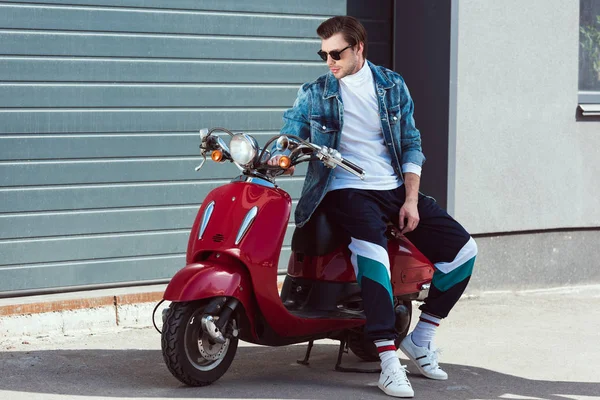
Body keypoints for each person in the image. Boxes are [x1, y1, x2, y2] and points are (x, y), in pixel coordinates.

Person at [277, 16, 478, 398]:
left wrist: (412, 199)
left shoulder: (390, 85)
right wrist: (275, 155)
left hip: (394, 188)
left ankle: (421, 337)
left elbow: (412, 144)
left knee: (464, 252)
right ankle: (387, 363)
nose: (329, 62)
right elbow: (290, 134)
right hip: (344, 189)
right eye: (323, 54)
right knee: (373, 255)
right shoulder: (315, 91)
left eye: (336, 53)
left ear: (359, 49)